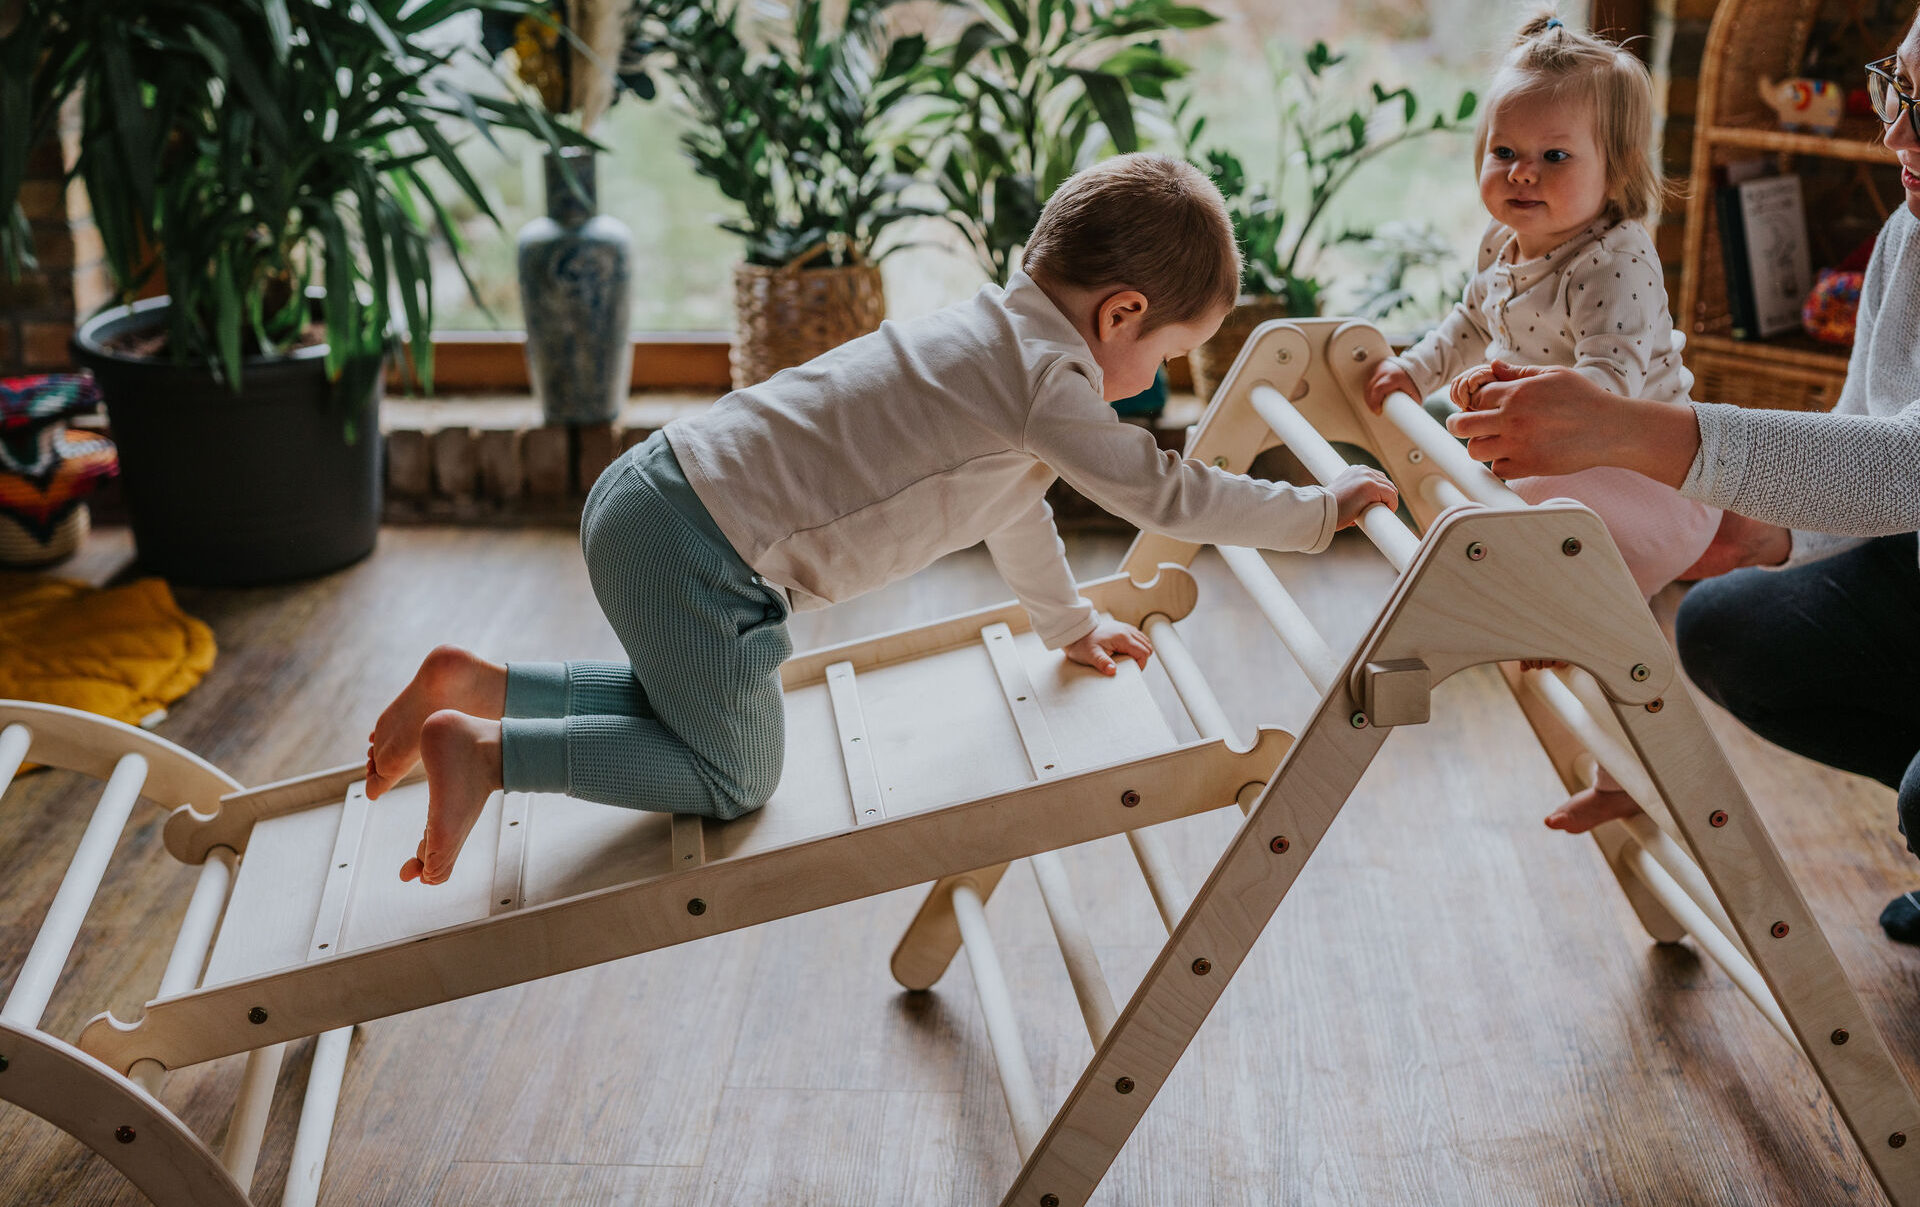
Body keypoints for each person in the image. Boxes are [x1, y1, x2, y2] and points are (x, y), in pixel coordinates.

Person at [365, 153, 1400, 886]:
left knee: (691, 696)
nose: (1159, 375)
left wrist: (1070, 624)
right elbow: (1165, 491)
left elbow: (1017, 508)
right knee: (734, 773)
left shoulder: (994, 340)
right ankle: (492, 750)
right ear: (1120, 312)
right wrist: (1317, 511)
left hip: (655, 492)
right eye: (1170, 352)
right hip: (700, 548)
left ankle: (478, 682)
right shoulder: (1050, 378)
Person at [1443, 13, 1920, 942]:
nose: (1893, 133)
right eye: (1896, 89)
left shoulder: (1611, 260)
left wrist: (1629, 430)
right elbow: (1868, 432)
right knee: (1723, 624)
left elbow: (1912, 468)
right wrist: (1757, 532)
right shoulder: (1913, 226)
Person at [1361, 7, 1722, 832]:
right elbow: (1468, 321)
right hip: (1562, 461)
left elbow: (1608, 383)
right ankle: (1611, 744)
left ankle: (1634, 756)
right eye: (1505, 154)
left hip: (1645, 477)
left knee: (1597, 617)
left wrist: (1524, 397)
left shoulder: (1615, 258)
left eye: (1554, 157)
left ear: (1616, 168)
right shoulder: (1502, 243)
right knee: (1519, 548)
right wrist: (1415, 368)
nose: (1522, 175)